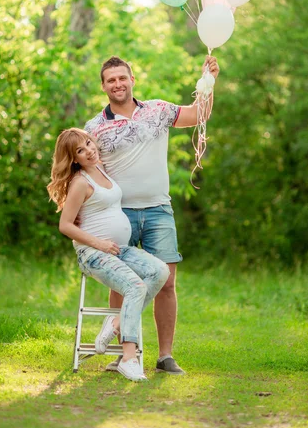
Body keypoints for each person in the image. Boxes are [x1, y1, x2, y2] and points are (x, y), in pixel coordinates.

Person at [85, 54, 220, 375]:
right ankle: (121, 354)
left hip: (159, 210)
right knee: (120, 283)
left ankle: (165, 356)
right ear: (103, 87)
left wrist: (209, 81)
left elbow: (199, 114)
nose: (118, 84)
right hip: (118, 214)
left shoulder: (158, 110)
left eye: (122, 77)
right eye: (111, 80)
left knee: (167, 283)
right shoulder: (95, 127)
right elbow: (87, 172)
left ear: (132, 80)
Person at [47, 128, 170, 382]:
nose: (89, 151)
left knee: (161, 271)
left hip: (117, 250)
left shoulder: (101, 169)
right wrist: (99, 244)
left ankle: (115, 324)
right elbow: (65, 225)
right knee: (136, 286)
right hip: (93, 253)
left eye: (89, 144)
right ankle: (128, 358)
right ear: (73, 159)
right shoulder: (81, 182)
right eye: (80, 151)